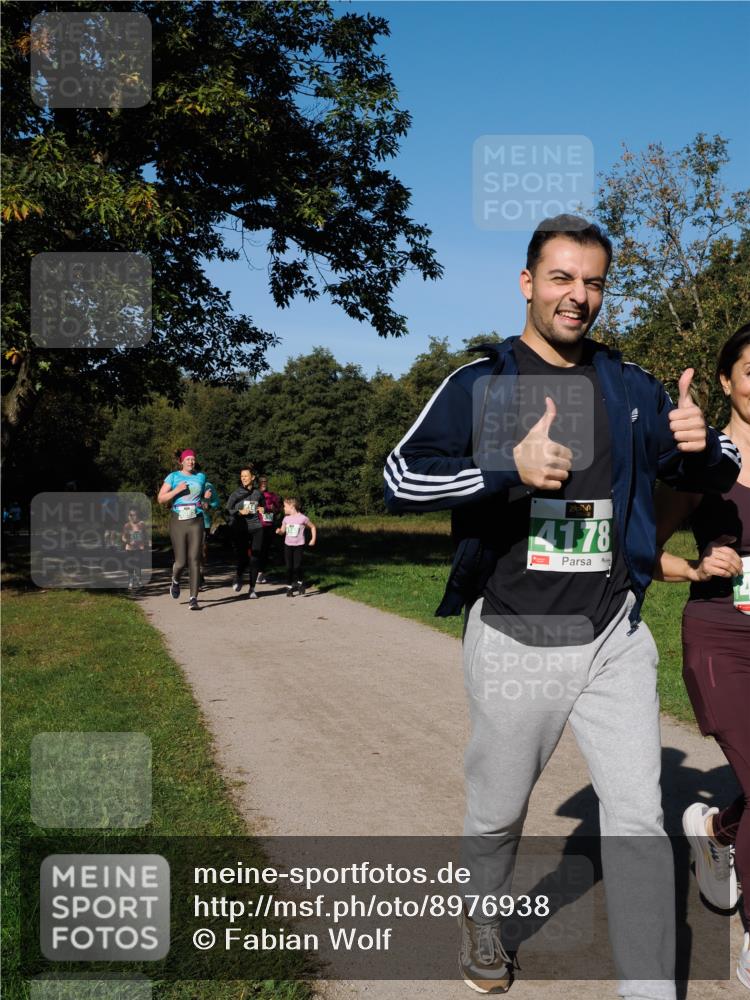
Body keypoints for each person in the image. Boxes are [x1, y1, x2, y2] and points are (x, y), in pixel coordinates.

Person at [383, 215, 740, 999]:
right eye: (561, 278)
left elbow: (717, 464)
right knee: (499, 809)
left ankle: (650, 990)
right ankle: (482, 916)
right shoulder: (482, 383)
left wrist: (701, 444)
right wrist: (501, 466)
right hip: (517, 633)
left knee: (640, 821)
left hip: (613, 633)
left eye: (594, 283)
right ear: (527, 283)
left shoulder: (632, 386)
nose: (578, 297)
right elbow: (400, 475)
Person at [654, 323, 750, 990]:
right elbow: (639, 547)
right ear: (726, 382)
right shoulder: (703, 464)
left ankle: (717, 830)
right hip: (721, 635)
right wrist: (694, 566)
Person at [157, 449, 212, 610]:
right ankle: (175, 580)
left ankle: (193, 598)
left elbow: (205, 504)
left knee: (194, 559)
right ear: (181, 461)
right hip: (178, 521)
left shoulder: (201, 477)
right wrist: (177, 490)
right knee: (180, 562)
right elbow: (161, 499)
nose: (191, 462)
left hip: (196, 520)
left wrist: (206, 500)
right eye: (187, 459)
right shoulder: (173, 477)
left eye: (193, 459)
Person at [226, 466, 265, 599]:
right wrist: (239, 512)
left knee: (255, 558)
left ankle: (252, 588)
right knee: (243, 557)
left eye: (246, 476)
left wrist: (262, 509)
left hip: (256, 528)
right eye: (242, 476)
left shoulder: (258, 493)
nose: (243, 478)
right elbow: (227, 509)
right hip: (241, 528)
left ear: (252, 478)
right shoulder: (236, 494)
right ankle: (238, 576)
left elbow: (264, 506)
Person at [276, 496, 316, 596]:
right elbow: (283, 531)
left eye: (285, 506)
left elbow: (313, 527)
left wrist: (313, 539)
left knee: (297, 567)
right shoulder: (286, 519)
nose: (283, 508)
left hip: (299, 546)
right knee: (289, 567)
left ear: (292, 506)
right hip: (288, 545)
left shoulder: (303, 518)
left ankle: (301, 582)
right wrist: (279, 531)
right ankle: (289, 588)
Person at [256, 475, 282, 583]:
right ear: (258, 483)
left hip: (268, 525)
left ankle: (262, 572)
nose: (263, 483)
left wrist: (272, 509)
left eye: (265, 481)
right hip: (257, 525)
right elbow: (249, 507)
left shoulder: (272, 495)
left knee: (265, 550)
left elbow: (278, 509)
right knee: (257, 549)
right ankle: (256, 571)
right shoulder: (254, 494)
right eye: (261, 482)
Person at [121, 506, 148, 590]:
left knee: (138, 564)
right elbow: (123, 537)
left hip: (139, 548)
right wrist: (128, 541)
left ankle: (139, 580)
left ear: (138, 515)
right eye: (131, 515)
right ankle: (131, 580)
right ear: (128, 516)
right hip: (129, 548)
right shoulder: (127, 525)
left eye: (134, 515)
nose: (133, 517)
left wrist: (145, 543)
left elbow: (145, 535)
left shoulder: (142, 524)